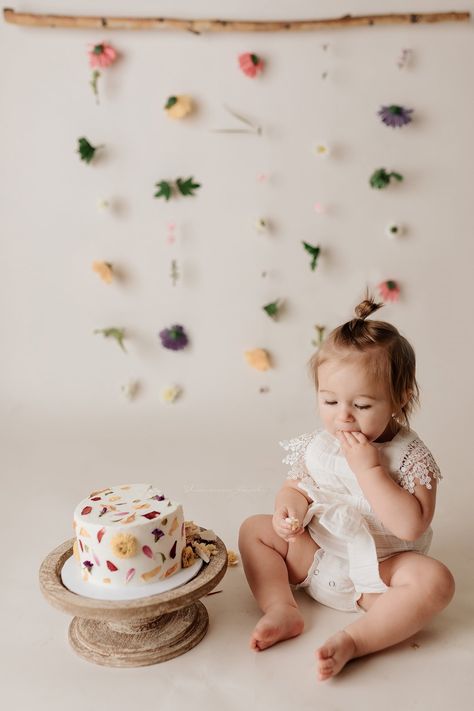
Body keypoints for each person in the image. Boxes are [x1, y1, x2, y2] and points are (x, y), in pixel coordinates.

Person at [238, 293, 455, 682]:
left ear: (399, 399)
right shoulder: (320, 444)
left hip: (381, 575)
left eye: (362, 405)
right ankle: (281, 608)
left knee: (435, 581)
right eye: (330, 400)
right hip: (319, 557)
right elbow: (296, 487)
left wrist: (370, 470)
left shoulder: (410, 457)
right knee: (255, 529)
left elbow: (411, 526)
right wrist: (289, 511)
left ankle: (356, 641)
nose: (343, 417)